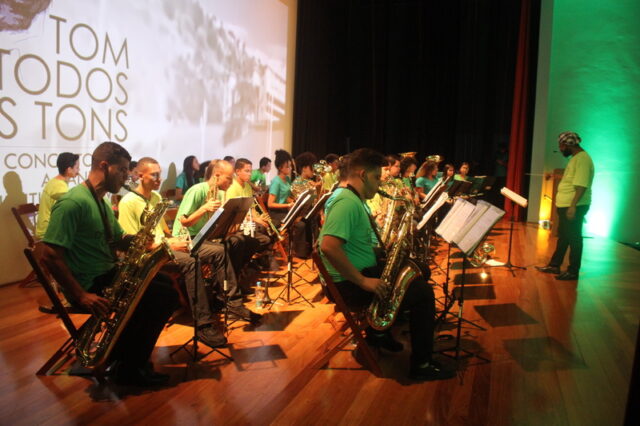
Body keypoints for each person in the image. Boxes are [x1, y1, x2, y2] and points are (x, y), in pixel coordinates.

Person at [40, 142, 178, 387]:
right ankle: (129, 369)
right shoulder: (73, 202)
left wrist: (139, 239)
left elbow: (117, 238)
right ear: (104, 166)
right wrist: (81, 295)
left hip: (107, 272)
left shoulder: (100, 201)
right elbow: (49, 254)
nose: (127, 176)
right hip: (88, 283)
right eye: (122, 170)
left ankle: (122, 357)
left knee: (164, 285)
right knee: (161, 296)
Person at [319, 148, 453, 381]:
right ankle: (421, 364)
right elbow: (329, 246)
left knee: (420, 270)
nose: (379, 183)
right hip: (349, 284)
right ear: (363, 175)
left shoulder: (351, 198)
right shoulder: (346, 202)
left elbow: (350, 243)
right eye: (376, 178)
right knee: (422, 293)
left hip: (357, 273)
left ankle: (378, 334)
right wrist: (363, 281)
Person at [118, 157, 228, 348]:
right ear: (140, 176)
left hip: (164, 246)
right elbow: (133, 244)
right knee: (191, 262)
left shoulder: (155, 197)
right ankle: (203, 324)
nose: (159, 179)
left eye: (159, 174)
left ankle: (218, 302)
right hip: (148, 254)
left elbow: (163, 230)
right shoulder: (128, 202)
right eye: (154, 175)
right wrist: (169, 245)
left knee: (213, 251)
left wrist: (176, 240)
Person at [172, 160, 261, 323]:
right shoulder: (197, 190)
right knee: (221, 250)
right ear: (217, 175)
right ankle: (233, 302)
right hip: (187, 238)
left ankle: (221, 294)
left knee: (241, 242)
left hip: (205, 237)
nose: (231, 182)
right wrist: (204, 208)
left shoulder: (220, 193)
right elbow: (183, 222)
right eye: (228, 178)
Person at [536, 131, 594, 280]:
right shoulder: (576, 158)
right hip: (567, 205)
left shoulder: (582, 159)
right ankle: (554, 265)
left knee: (574, 238)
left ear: (568, 145)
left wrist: (573, 206)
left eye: (561, 146)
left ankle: (573, 271)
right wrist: (555, 176)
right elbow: (573, 178)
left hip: (574, 205)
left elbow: (581, 185)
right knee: (563, 236)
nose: (560, 149)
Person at [36, 152, 80, 239]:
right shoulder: (59, 187)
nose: (78, 171)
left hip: (47, 230)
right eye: (77, 168)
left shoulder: (54, 182)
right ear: (69, 169)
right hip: (49, 233)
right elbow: (64, 215)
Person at [267, 149, 294, 225]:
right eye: (288, 166)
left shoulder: (287, 179)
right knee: (299, 225)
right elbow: (270, 204)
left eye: (290, 166)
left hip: (285, 210)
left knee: (301, 219)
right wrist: (288, 205)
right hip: (276, 213)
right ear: (280, 167)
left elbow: (286, 197)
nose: (290, 168)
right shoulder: (276, 181)